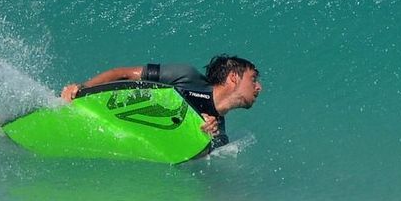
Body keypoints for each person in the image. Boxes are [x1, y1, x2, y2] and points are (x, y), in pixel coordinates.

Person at [61, 55, 262, 146]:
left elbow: (191, 159)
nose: (259, 87)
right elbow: (123, 74)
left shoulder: (218, 131)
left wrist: (200, 134)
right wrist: (82, 89)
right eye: (253, 79)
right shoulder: (186, 76)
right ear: (233, 77)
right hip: (111, 112)